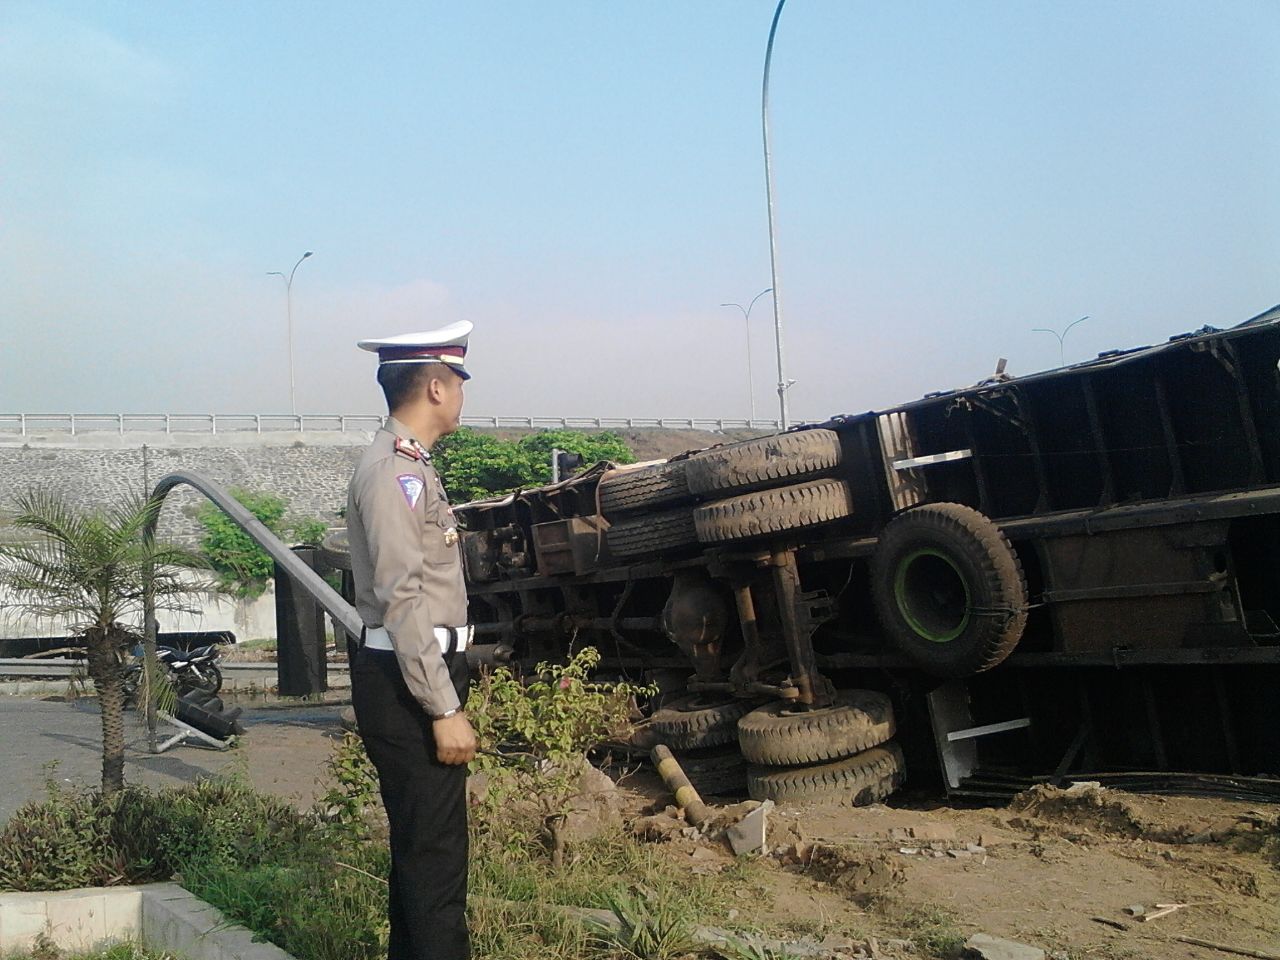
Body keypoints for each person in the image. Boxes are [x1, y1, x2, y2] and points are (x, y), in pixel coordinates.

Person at [347, 320, 478, 960]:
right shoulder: (392, 473)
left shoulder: (410, 466)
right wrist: (444, 709)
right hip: (408, 683)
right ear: (434, 386)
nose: (460, 395)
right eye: (458, 382)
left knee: (426, 849)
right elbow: (403, 599)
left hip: (414, 674)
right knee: (434, 855)